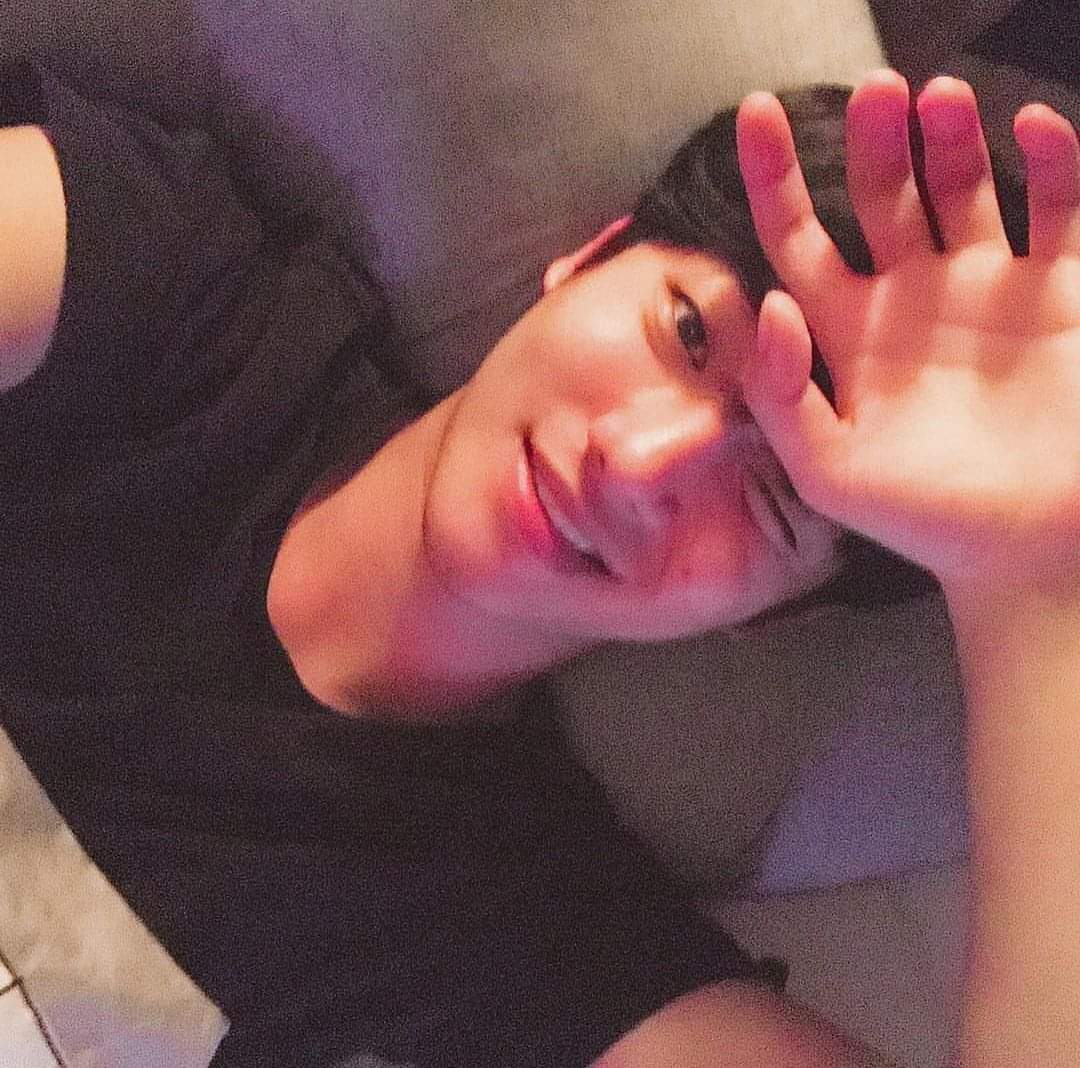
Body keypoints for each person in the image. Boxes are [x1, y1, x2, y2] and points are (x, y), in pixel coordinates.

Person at [0, 54, 1076, 1066]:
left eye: (772, 497)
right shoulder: (164, 282)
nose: (638, 461)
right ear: (592, 258)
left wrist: (1026, 584)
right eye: (687, 334)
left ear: (770, 615)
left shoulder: (526, 927)